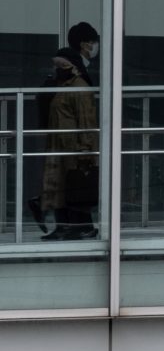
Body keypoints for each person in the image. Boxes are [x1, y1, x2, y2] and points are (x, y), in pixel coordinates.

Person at [39, 22, 100, 241]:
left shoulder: (79, 87)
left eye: (61, 65)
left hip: (74, 149)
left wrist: (86, 150)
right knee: (61, 189)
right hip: (61, 146)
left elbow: (87, 122)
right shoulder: (61, 86)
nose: (56, 68)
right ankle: (64, 226)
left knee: (76, 188)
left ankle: (81, 226)